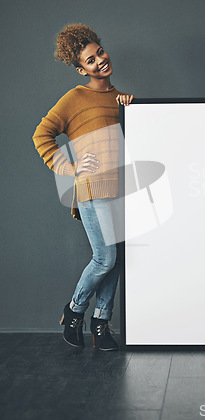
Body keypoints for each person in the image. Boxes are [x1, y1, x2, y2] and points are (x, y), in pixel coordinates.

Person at [32, 23, 135, 350]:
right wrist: (69, 167)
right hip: (92, 189)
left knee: (117, 260)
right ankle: (75, 310)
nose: (100, 60)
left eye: (99, 52)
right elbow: (42, 135)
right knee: (104, 259)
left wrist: (133, 110)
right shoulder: (75, 98)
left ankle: (102, 323)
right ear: (81, 69)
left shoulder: (120, 98)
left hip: (122, 188)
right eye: (91, 60)